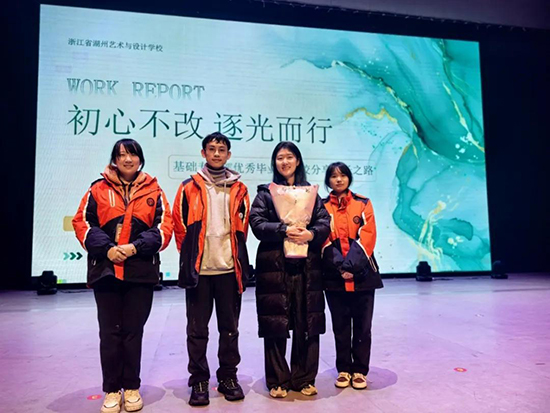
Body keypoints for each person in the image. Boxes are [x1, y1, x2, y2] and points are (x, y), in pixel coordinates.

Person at [72, 138, 173, 413]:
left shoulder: (155, 190)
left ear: (140, 159)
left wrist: (133, 248)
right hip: (106, 271)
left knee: (132, 332)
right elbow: (83, 223)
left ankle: (131, 388)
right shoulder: (97, 189)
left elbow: (164, 228)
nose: (128, 159)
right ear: (114, 160)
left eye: (132, 154)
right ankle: (111, 390)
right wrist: (108, 249)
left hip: (140, 272)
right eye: (122, 155)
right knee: (109, 333)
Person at [172, 132, 250, 406]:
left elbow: (242, 229)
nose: (217, 154)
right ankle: (199, 380)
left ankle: (228, 377)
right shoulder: (188, 187)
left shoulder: (240, 189)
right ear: (203, 153)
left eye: (222, 149)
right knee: (197, 331)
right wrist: (192, 258)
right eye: (212, 149)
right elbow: (180, 228)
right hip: (200, 272)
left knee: (230, 329)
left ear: (229, 155)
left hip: (229, 271)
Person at [249, 142, 330, 398]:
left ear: (298, 161)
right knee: (275, 323)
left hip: (307, 267)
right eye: (280, 158)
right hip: (275, 266)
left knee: (307, 322)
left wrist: (310, 234)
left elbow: (324, 222)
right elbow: (256, 223)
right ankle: (277, 380)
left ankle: (304, 378)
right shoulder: (265, 193)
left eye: (289, 157)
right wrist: (283, 229)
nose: (285, 162)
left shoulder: (311, 193)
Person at [321, 162, 383, 390]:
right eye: (333, 176)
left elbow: (368, 235)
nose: (338, 179)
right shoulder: (321, 206)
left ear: (349, 178)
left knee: (363, 327)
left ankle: (360, 370)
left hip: (364, 274)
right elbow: (322, 238)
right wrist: (340, 266)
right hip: (333, 275)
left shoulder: (363, 203)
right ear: (328, 180)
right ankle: (344, 369)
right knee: (340, 326)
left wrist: (351, 266)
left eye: (343, 175)